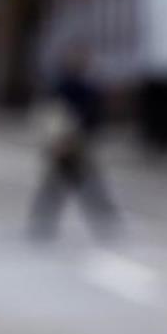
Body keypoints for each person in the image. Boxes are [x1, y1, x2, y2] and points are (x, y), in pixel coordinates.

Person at [28, 45, 121, 242]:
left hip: (80, 144)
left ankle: (106, 222)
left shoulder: (88, 88)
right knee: (63, 187)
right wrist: (57, 140)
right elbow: (51, 114)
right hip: (65, 143)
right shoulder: (61, 87)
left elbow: (95, 117)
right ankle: (42, 225)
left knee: (81, 185)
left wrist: (86, 136)